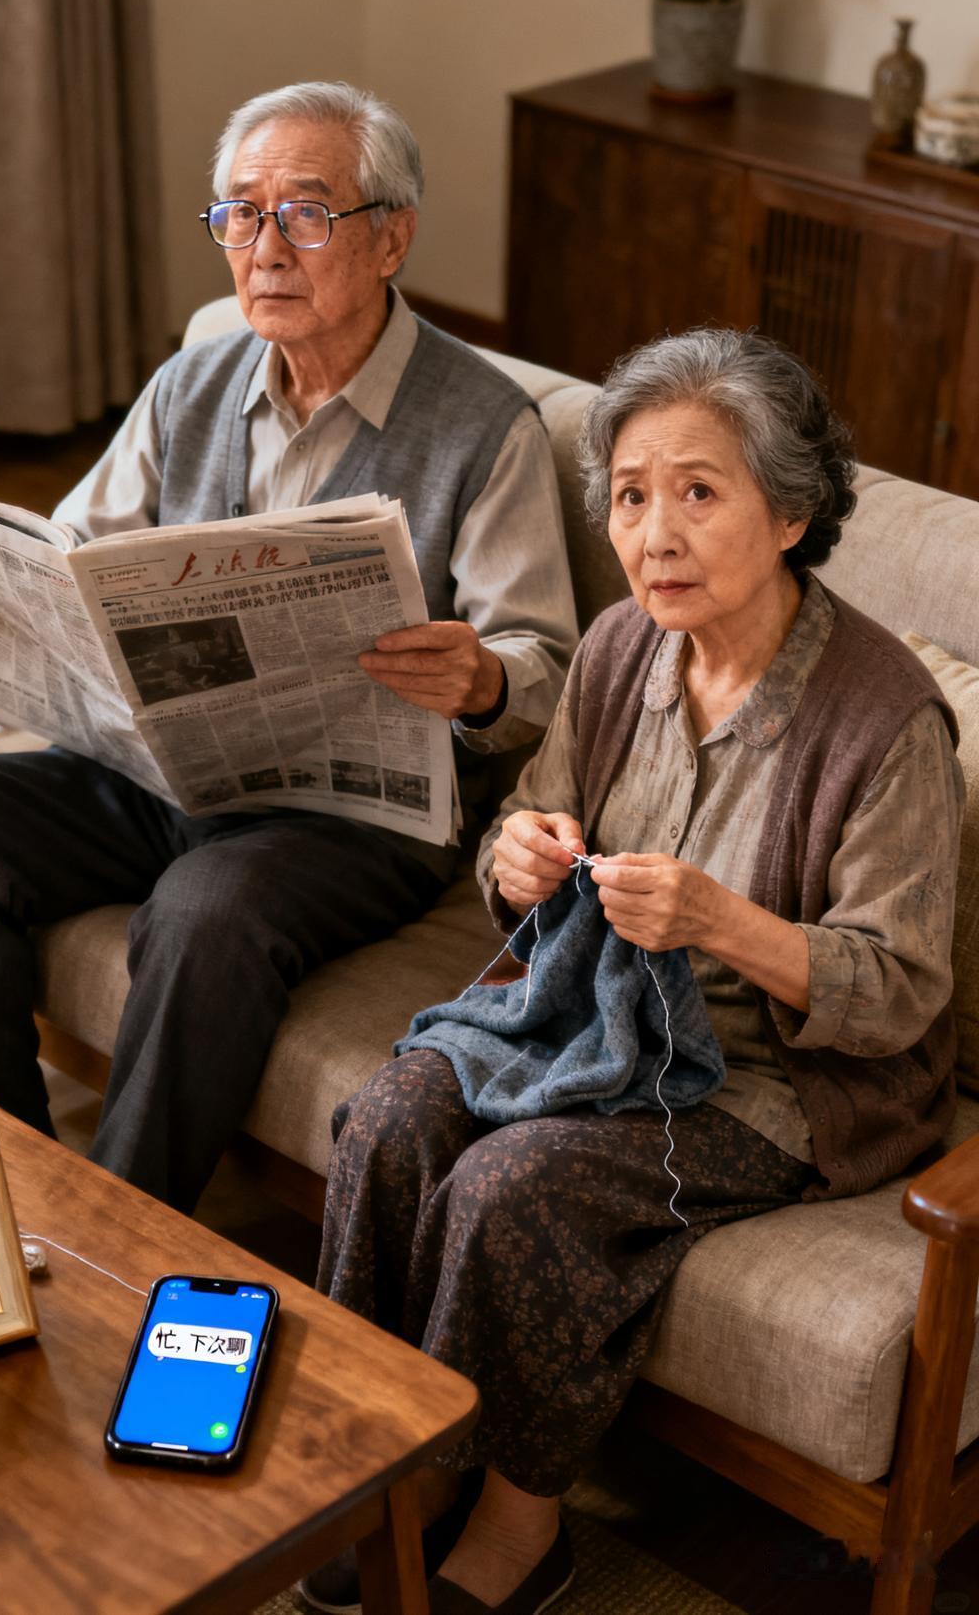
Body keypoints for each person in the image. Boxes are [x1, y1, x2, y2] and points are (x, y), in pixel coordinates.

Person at [305, 328, 964, 1614]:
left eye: (696, 491)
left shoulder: (886, 720)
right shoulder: (617, 648)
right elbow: (523, 829)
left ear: (790, 510)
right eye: (627, 494)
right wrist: (523, 852)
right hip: (582, 1019)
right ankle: (383, 1459)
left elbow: (893, 993)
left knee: (511, 1184)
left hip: (777, 1081)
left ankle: (516, 1521)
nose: (652, 531)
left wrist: (719, 920)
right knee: (389, 1114)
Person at [0, 80, 578, 1214]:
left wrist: (480, 676)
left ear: (390, 235)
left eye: (304, 212)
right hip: (169, 775)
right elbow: (67, 556)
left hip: (357, 817)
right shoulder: (190, 381)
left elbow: (542, 661)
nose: (264, 247)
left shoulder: (485, 425)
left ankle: (117, 1224)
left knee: (205, 906)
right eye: (238, 215)